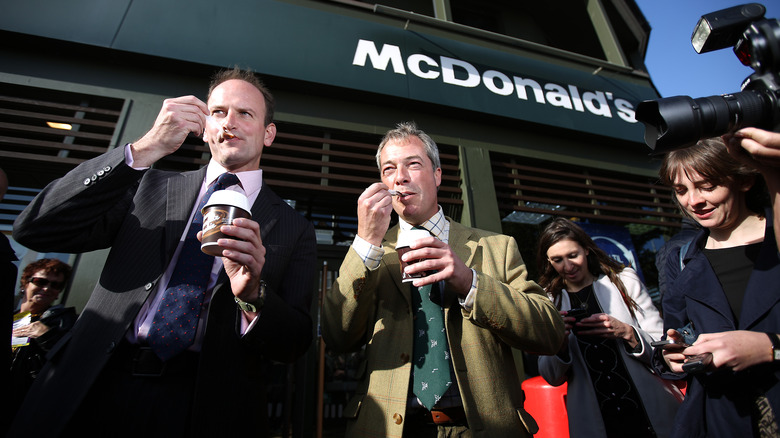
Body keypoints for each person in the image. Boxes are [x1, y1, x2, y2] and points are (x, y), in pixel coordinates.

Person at [9, 67, 317, 437]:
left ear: (269, 134)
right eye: (218, 112)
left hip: (205, 404)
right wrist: (145, 148)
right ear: (203, 126)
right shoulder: (148, 186)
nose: (229, 123)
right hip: (96, 383)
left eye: (245, 113)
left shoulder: (294, 227)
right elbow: (35, 227)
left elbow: (295, 341)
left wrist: (253, 296)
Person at [322, 121, 564, 437]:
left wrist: (469, 281)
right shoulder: (371, 252)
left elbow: (549, 333)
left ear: (437, 175)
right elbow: (337, 336)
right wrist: (367, 241)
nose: (400, 177)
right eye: (388, 169)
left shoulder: (497, 247)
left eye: (413, 164)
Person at [654, 137, 780, 438]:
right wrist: (674, 355)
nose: (693, 201)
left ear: (743, 179)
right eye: (681, 190)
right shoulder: (680, 258)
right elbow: (676, 331)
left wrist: (771, 348)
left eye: (707, 185)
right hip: (721, 419)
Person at [536, 217, 681, 438]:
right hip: (597, 420)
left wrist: (628, 333)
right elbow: (551, 377)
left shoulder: (623, 281)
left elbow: (662, 350)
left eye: (573, 255)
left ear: (586, 250)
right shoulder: (547, 301)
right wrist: (560, 343)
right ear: (548, 261)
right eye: (557, 260)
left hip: (650, 410)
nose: (567, 266)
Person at [11, 259, 76, 418]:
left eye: (56, 285)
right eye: (41, 281)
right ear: (25, 283)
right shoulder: (15, 317)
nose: (47, 288)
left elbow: (73, 363)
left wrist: (47, 336)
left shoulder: (63, 321)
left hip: (23, 405)